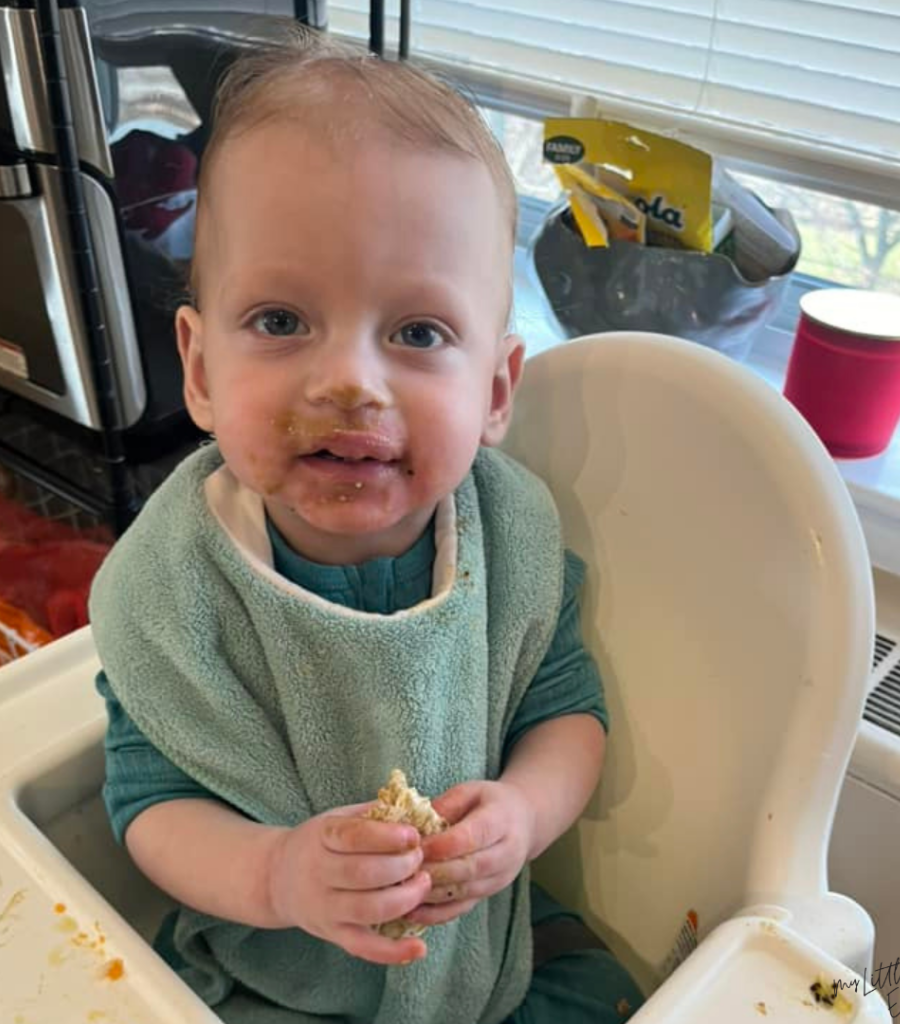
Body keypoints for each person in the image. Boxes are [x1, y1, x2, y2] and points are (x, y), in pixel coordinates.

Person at [89, 26, 644, 1024]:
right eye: (280, 321)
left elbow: (566, 713)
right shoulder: (171, 586)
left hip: (480, 961)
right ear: (202, 368)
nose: (349, 379)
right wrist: (276, 875)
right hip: (279, 981)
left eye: (418, 332)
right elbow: (148, 802)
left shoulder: (507, 536)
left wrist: (521, 812)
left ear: (494, 388)